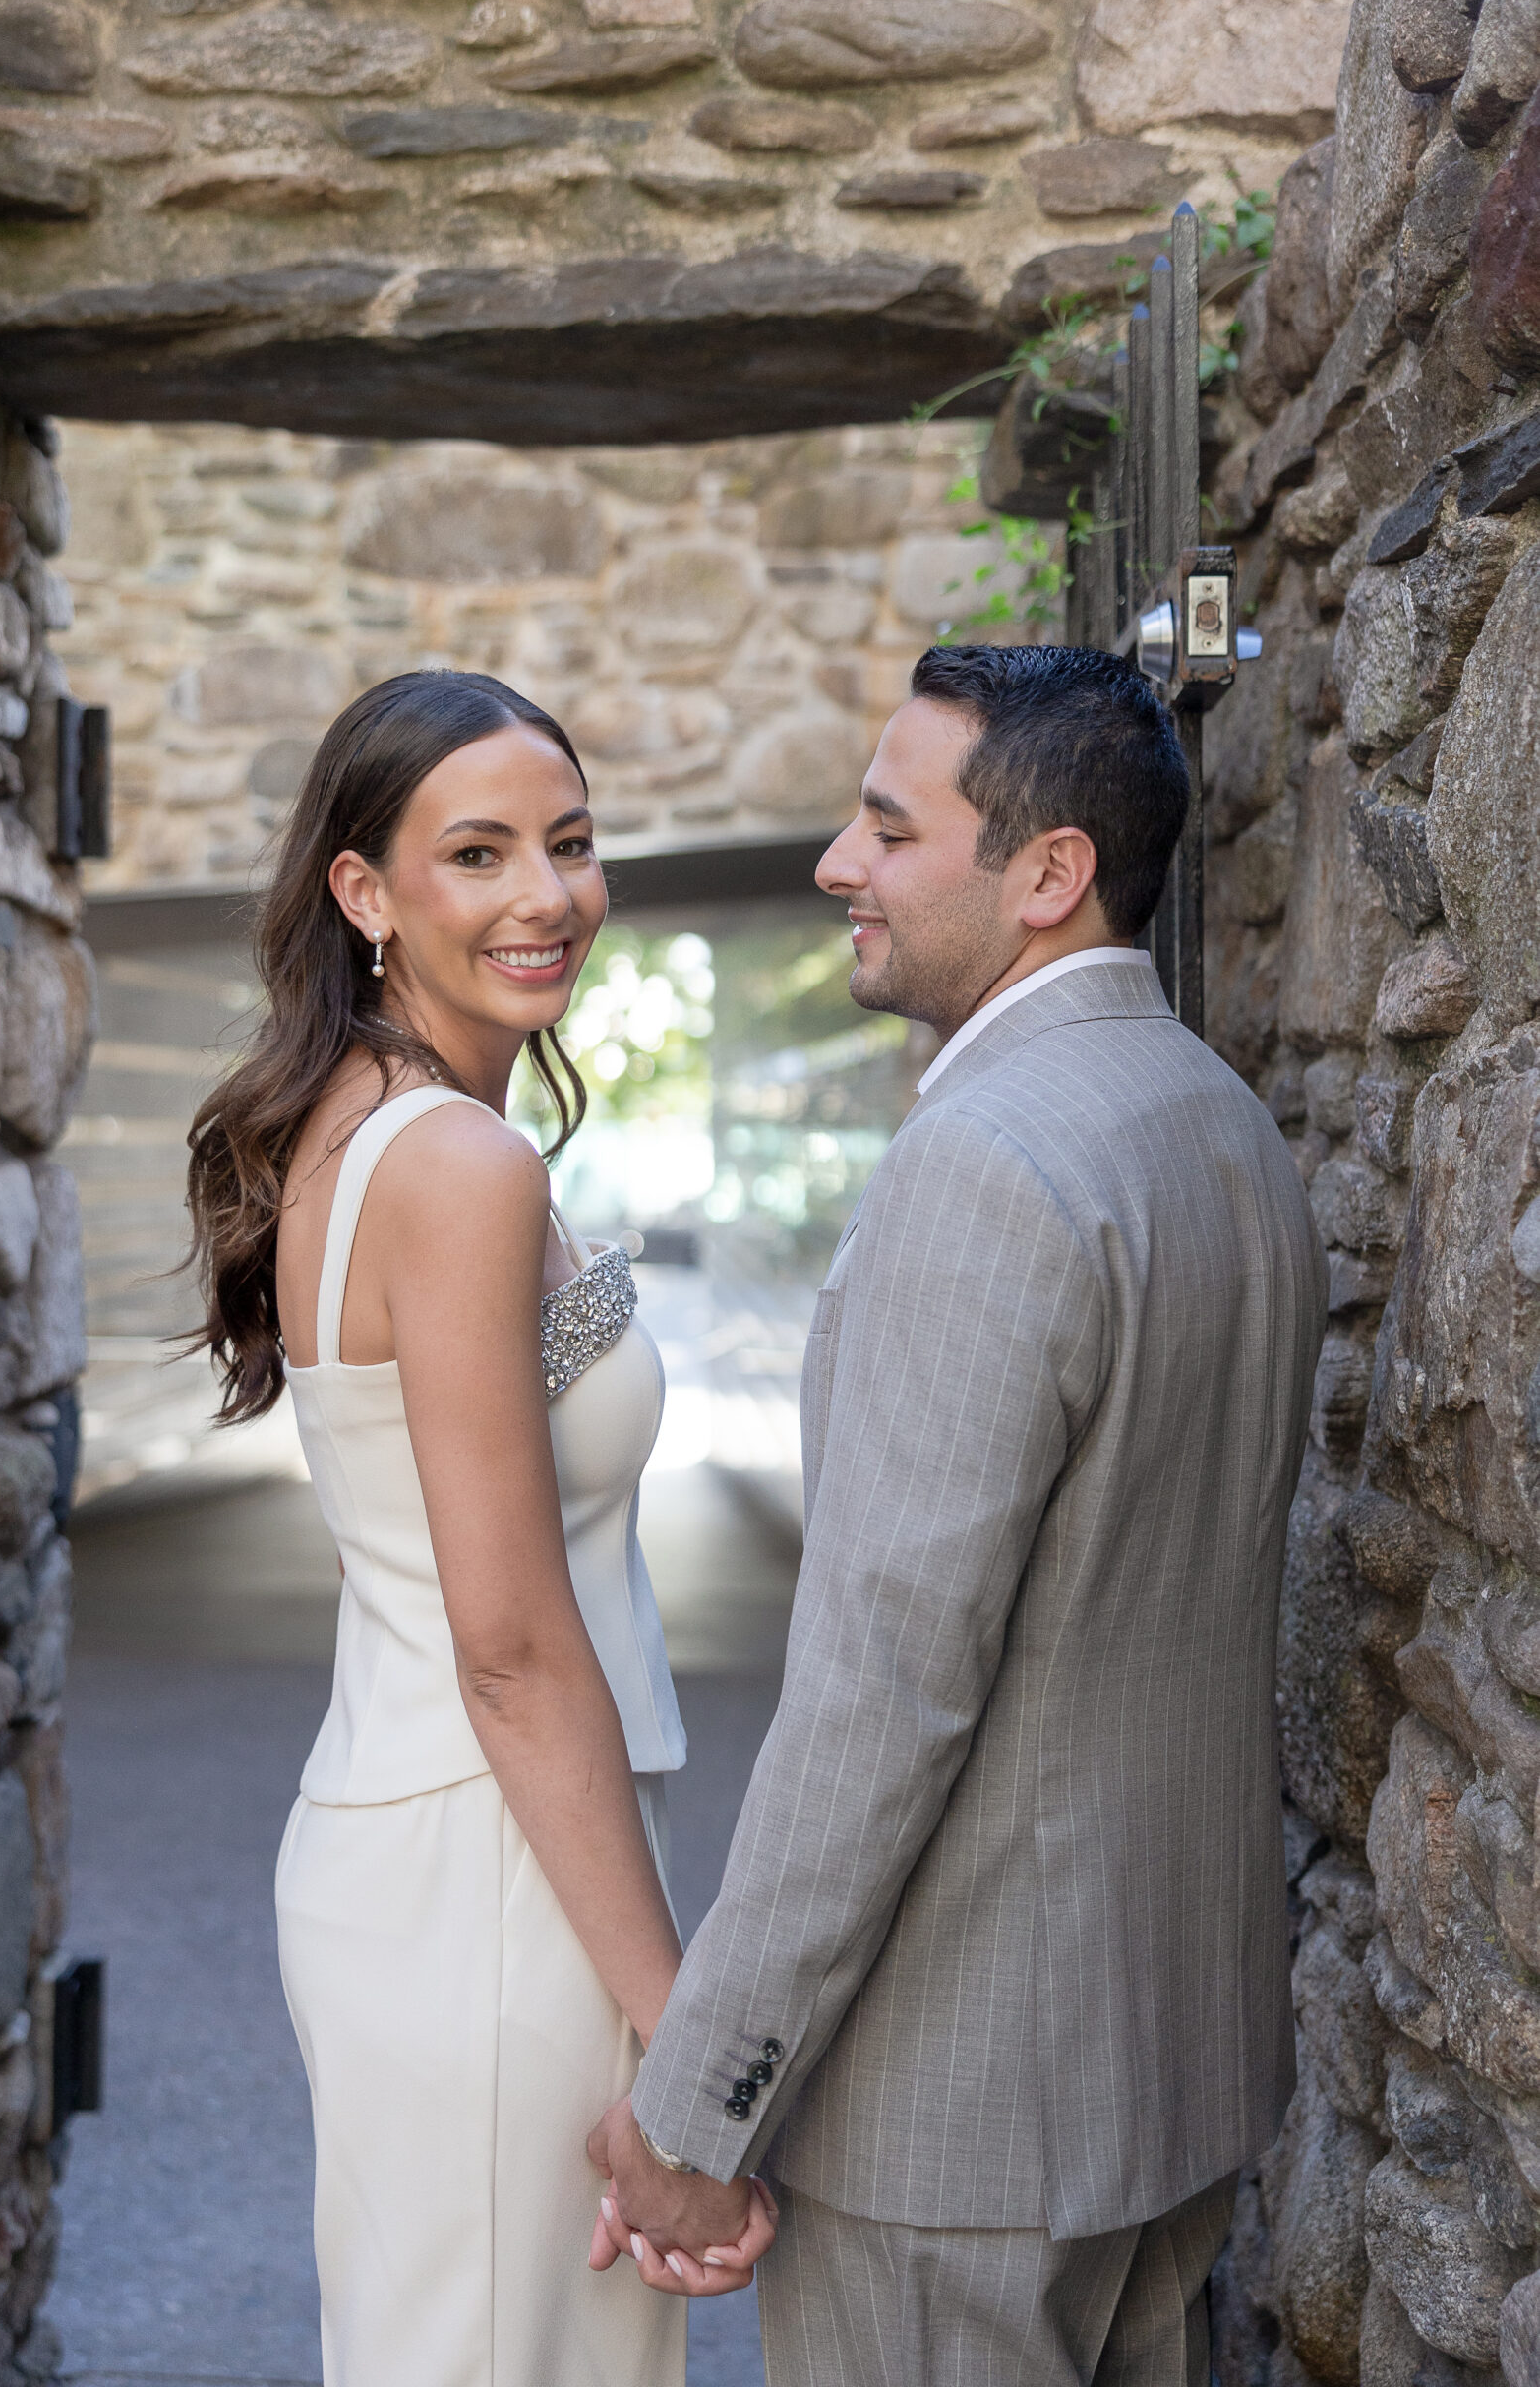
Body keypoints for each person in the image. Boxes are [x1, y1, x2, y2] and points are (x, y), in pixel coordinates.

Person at [592, 643, 1328, 2386]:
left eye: (886, 826)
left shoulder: (988, 1167)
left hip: (964, 2116)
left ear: (1046, 874)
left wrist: (700, 2102)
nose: (839, 865)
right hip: (1170, 2068)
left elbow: (881, 1700)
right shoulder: (1219, 1124)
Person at [181, 668, 773, 2387]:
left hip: (458, 1849)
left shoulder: (373, 1128)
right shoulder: (451, 1166)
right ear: (365, 894)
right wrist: (684, 2037)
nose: (546, 896)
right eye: (480, 853)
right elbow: (510, 1650)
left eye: (572, 846)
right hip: (490, 1882)